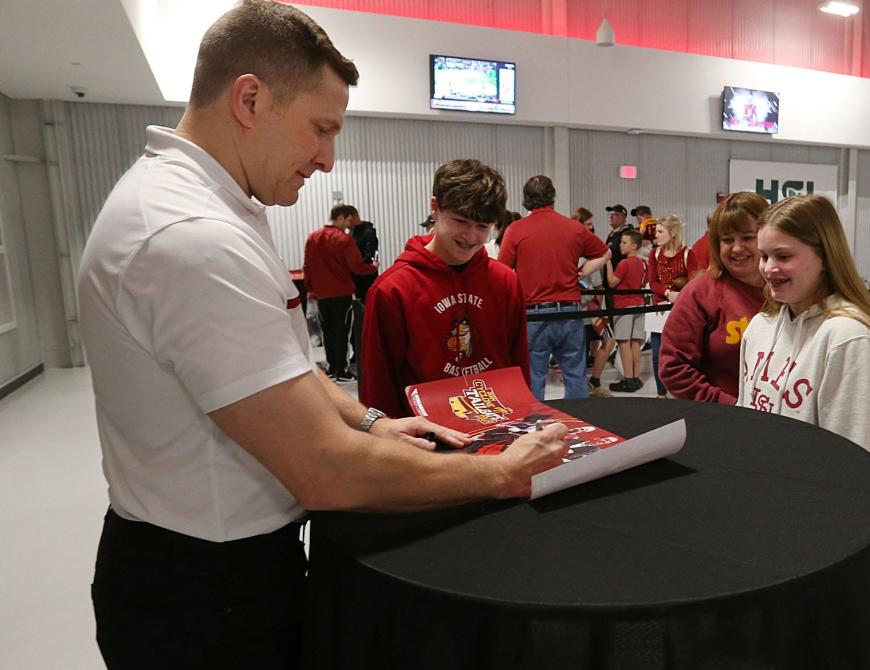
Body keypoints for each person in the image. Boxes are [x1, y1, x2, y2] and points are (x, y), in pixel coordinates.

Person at [76, 3, 569, 668]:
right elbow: (323, 472)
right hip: (204, 591)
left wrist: (369, 422)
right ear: (249, 98)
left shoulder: (212, 209)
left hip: (219, 567)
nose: (328, 160)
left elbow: (281, 367)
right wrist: (499, 475)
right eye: (320, 129)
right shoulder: (190, 237)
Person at [360, 159, 530, 419]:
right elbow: (378, 387)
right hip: (425, 442)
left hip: (498, 432)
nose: (471, 236)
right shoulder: (392, 290)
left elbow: (518, 368)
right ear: (435, 208)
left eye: (483, 226)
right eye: (461, 221)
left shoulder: (505, 281)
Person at [737, 194, 870, 456]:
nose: (768, 268)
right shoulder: (760, 326)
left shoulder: (852, 340)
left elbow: (852, 458)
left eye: (784, 256)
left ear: (825, 257)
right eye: (764, 256)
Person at [499, 177, 611, 400]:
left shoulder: (515, 230)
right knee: (575, 375)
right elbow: (604, 253)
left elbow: (502, 271)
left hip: (533, 314)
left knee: (533, 377)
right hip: (569, 311)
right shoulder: (574, 228)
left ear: (526, 198)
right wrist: (583, 272)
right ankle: (582, 426)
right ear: (552, 197)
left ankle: (535, 429)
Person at [659, 192, 768, 404]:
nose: (737, 248)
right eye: (727, 240)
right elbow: (674, 369)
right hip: (723, 420)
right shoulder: (700, 293)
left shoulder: (786, 290)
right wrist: (730, 406)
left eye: (747, 237)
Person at [303, 204, 378, 381]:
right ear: (341, 218)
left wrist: (310, 289)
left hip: (322, 294)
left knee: (327, 332)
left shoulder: (313, 237)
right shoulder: (343, 239)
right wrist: (372, 267)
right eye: (347, 219)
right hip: (342, 292)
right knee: (342, 332)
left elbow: (307, 266)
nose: (348, 223)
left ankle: (331, 368)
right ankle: (341, 371)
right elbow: (356, 266)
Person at [647, 214, 701, 398]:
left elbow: (695, 281)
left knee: (681, 353)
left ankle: (682, 392)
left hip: (681, 310)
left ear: (672, 233)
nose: (656, 235)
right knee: (656, 353)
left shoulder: (688, 254)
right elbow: (652, 282)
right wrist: (669, 293)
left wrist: (682, 294)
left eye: (660, 231)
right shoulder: (654, 254)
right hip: (659, 310)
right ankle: (661, 394)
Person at [572, 207, 614, 397]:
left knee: (603, 341)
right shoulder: (581, 252)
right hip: (586, 307)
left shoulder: (579, 250)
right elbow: (594, 283)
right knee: (604, 340)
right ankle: (589, 383)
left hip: (586, 307)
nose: (591, 228)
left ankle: (591, 381)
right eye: (587, 224)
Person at [605, 229, 648, 392]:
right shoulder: (644, 263)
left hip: (624, 305)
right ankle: (636, 377)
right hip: (639, 303)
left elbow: (612, 283)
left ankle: (628, 379)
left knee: (624, 342)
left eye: (624, 242)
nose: (620, 245)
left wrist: (608, 262)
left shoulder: (624, 263)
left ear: (634, 245)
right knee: (635, 342)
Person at [348, 213, 379, 302]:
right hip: (356, 275)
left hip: (367, 277)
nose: (346, 225)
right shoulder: (351, 232)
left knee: (367, 302)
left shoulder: (369, 233)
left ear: (353, 217)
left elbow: (371, 256)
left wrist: (353, 265)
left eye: (348, 220)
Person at [604, 204, 633, 271]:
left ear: (623, 218)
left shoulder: (627, 233)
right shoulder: (613, 233)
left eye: (615, 214)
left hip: (620, 275)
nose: (611, 217)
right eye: (610, 214)